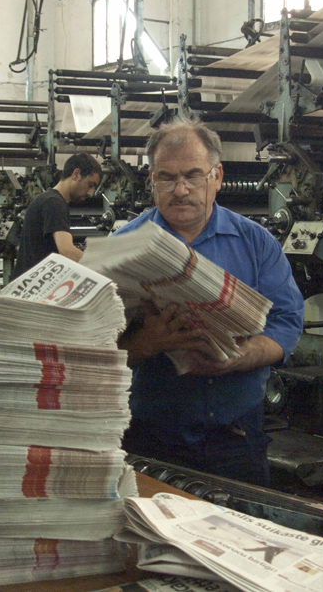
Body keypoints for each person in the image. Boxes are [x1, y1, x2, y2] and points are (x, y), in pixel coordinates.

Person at [113, 118, 304, 486]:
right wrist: (147, 343)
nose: (181, 189)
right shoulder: (123, 248)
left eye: (193, 175)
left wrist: (240, 357)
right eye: (166, 177)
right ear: (151, 180)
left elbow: (287, 323)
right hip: (149, 439)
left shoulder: (256, 243)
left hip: (237, 438)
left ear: (217, 177)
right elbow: (90, 348)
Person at [12, 153, 102, 277]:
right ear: (76, 174)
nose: (91, 193)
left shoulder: (49, 199)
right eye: (90, 185)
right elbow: (67, 251)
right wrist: (104, 268)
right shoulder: (54, 203)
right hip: (32, 290)